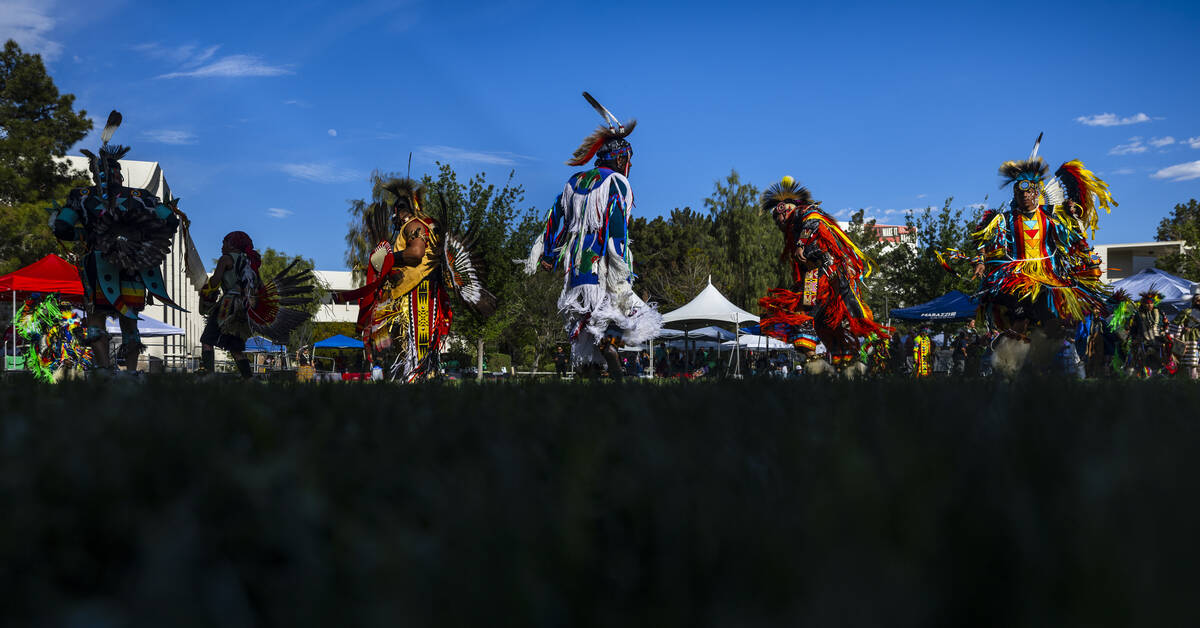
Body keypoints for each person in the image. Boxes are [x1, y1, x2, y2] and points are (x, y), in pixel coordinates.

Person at [524, 92, 661, 379]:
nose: (631, 166)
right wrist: (620, 269)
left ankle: (592, 386)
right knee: (634, 318)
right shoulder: (617, 183)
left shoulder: (574, 182)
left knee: (586, 331)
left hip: (575, 270)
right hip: (602, 265)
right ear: (621, 157)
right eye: (630, 160)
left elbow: (555, 218)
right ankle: (616, 367)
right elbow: (616, 229)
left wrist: (548, 253)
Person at [48, 111, 186, 373]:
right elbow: (170, 222)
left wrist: (84, 234)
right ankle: (131, 373)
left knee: (97, 317)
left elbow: (63, 227)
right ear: (119, 174)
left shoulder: (82, 196)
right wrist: (144, 238)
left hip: (98, 264)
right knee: (129, 320)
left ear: (93, 172)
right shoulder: (141, 196)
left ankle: (103, 370)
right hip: (134, 265)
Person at [969, 139, 1114, 373]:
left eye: (1029, 192)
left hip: (1047, 276)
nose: (1024, 196)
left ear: (1037, 193)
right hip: (1015, 276)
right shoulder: (1004, 219)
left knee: (1051, 322)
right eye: (1019, 192)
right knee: (1021, 317)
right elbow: (983, 240)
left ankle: (1061, 363)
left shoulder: (1051, 216)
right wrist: (980, 261)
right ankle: (1004, 363)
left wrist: (1085, 250)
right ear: (1015, 194)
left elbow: (1073, 237)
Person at [333, 178, 496, 382]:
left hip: (420, 292)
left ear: (400, 211)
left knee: (417, 344)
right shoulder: (430, 224)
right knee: (421, 344)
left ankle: (416, 382)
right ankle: (422, 379)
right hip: (430, 291)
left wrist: (391, 258)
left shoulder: (413, 225)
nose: (394, 219)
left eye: (395, 213)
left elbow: (417, 252)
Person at [756, 176, 891, 373]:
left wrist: (802, 244)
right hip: (822, 275)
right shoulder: (796, 226)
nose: (778, 222)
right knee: (824, 323)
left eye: (778, 216)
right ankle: (843, 362)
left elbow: (814, 222)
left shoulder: (805, 214)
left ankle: (837, 359)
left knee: (806, 313)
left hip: (827, 274)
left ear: (784, 207)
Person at [199, 231, 316, 379]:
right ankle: (248, 379)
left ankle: (209, 376)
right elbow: (259, 287)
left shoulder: (226, 259)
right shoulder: (250, 263)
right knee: (235, 349)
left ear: (233, 245)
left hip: (227, 306)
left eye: (225, 242)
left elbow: (215, 281)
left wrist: (206, 292)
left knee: (207, 340)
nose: (222, 246)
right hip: (244, 310)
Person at [1168, 287, 1200, 379]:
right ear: (1193, 301)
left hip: (1197, 340)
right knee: (1191, 363)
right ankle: (1191, 382)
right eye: (1197, 300)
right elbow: (1175, 325)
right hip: (1190, 340)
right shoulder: (1186, 312)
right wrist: (1180, 333)